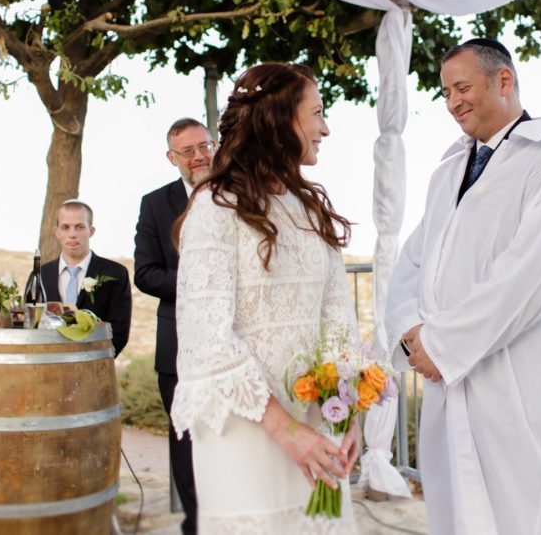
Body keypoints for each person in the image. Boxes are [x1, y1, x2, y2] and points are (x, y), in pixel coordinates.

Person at [385, 38, 541, 535]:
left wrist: (442, 344)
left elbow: (530, 278)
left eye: (462, 87)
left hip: (521, 370)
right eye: (445, 93)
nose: (453, 102)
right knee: (456, 509)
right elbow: (413, 261)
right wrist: (412, 330)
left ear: (504, 80)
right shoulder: (449, 170)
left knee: (531, 510)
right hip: (447, 372)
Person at [170, 63, 361, 533]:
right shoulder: (216, 209)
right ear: (279, 119)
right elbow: (206, 337)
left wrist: (349, 410)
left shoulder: (312, 210)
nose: (326, 127)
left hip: (316, 426)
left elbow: (337, 320)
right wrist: (285, 429)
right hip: (246, 427)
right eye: (316, 113)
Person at [133, 117, 214, 534]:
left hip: (233, 340)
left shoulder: (237, 193)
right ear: (172, 158)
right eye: (188, 150)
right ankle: (197, 527)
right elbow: (144, 273)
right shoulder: (154, 204)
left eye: (205, 145)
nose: (199, 156)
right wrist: (199, 285)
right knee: (185, 443)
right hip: (177, 346)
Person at [40, 199, 132, 355]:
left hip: (95, 365)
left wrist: (96, 361)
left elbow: (119, 330)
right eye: (65, 227)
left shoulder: (116, 273)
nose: (72, 234)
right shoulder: (41, 274)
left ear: (91, 230)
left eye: (79, 227)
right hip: (48, 365)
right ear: (57, 232)